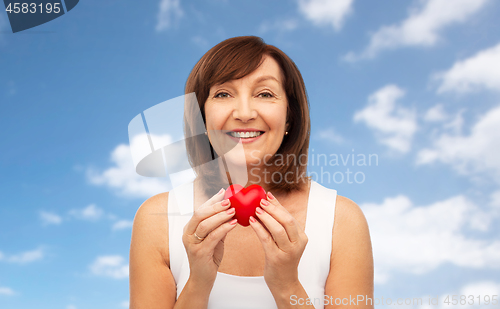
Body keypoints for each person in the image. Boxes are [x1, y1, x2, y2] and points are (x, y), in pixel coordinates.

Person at [129, 36, 374, 309]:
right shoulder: (157, 220)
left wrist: (287, 286)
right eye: (223, 94)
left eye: (265, 94)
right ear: (201, 117)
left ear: (290, 116)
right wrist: (198, 282)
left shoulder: (341, 220)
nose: (244, 113)